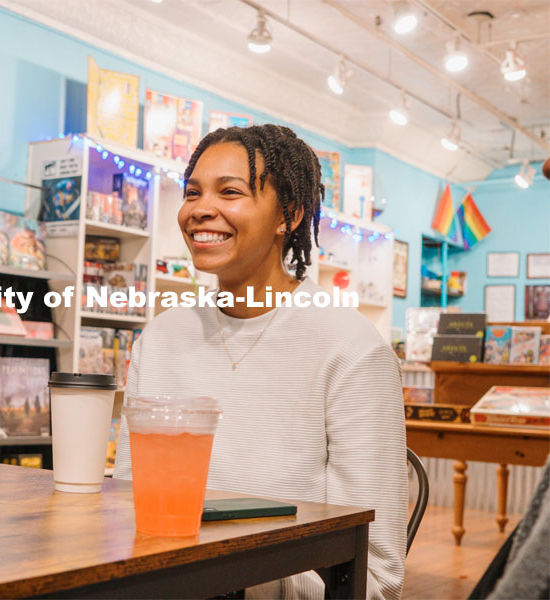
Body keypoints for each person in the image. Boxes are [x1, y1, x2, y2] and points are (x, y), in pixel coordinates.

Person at [114, 125, 407, 599]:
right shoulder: (162, 338)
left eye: (230, 191)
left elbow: (375, 576)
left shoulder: (351, 348)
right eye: (192, 193)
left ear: (287, 215)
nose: (200, 209)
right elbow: (126, 507)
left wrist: (241, 575)